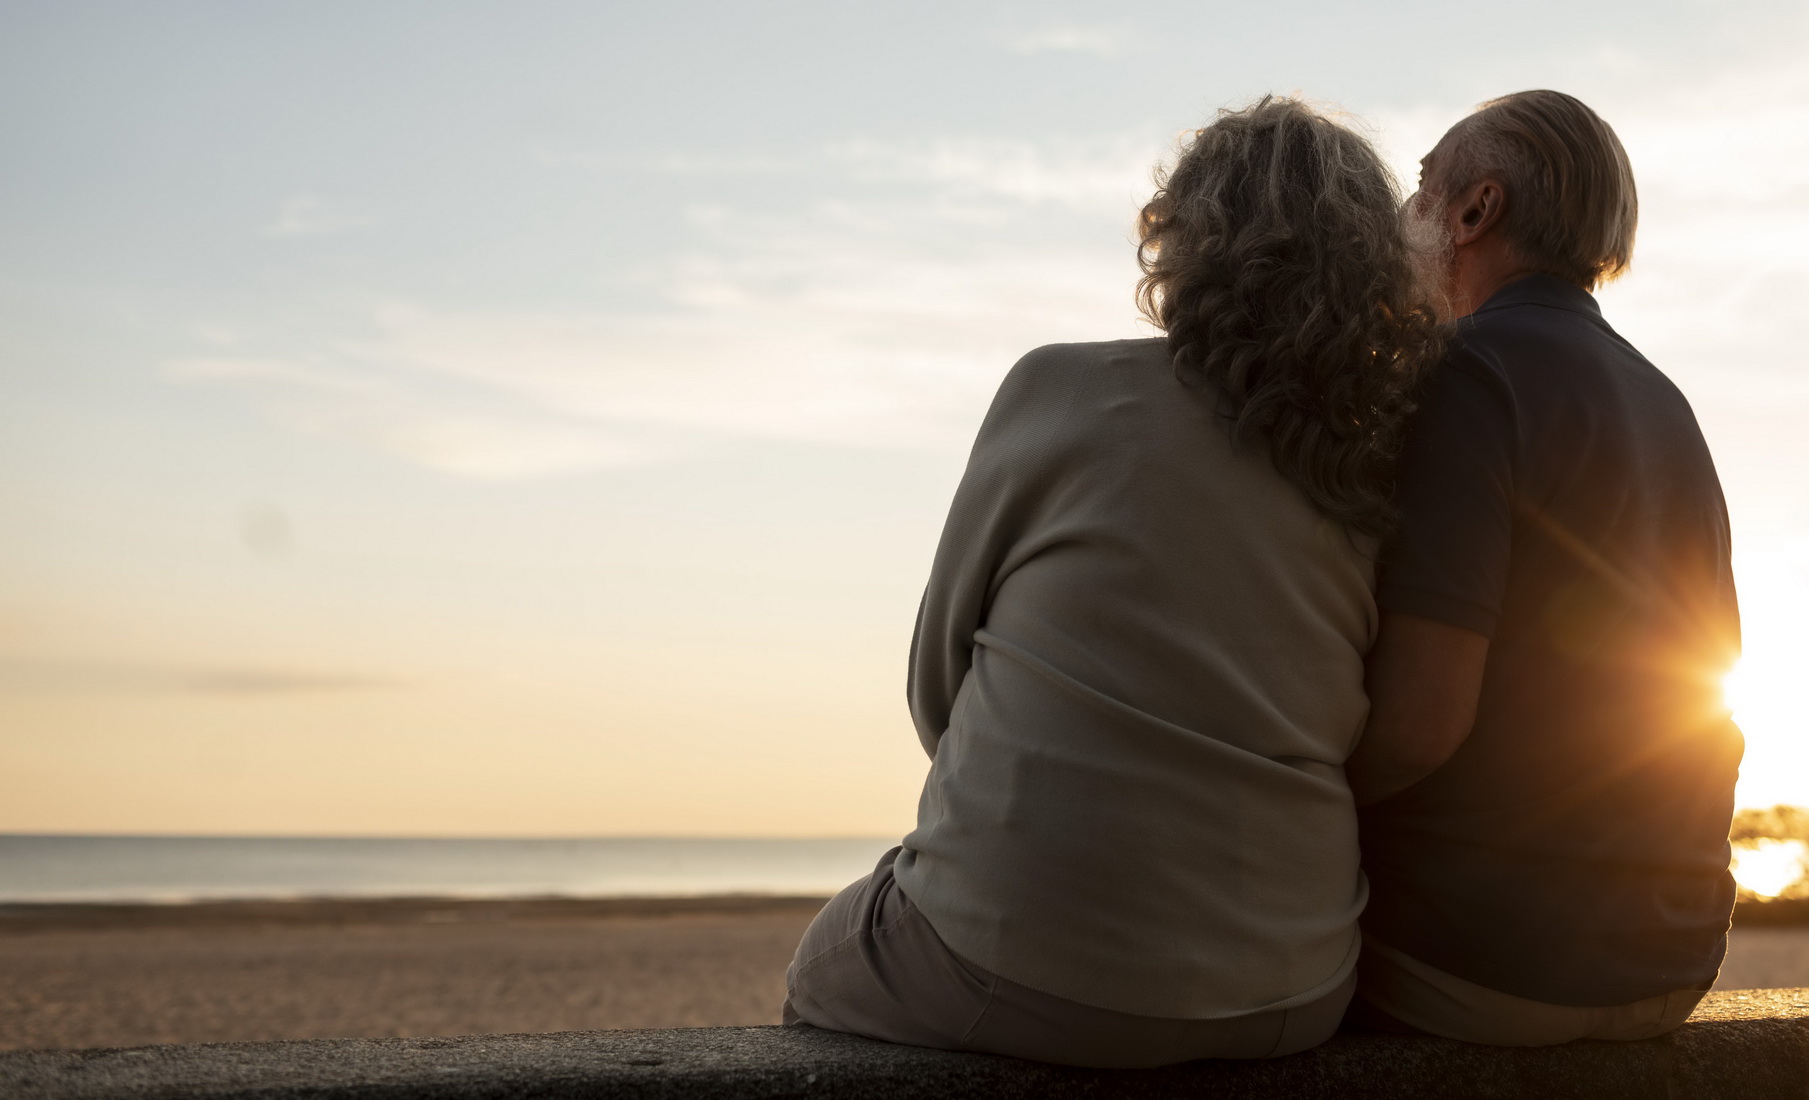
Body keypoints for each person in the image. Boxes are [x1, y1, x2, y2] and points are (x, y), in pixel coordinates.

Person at [782, 97, 1442, 1068]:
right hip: (1293, 986)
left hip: (1012, 962)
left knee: (824, 965)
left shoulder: (1057, 390)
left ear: (1185, 241)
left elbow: (937, 693)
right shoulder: (1364, 467)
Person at [1345, 90, 1743, 1046]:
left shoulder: (1467, 374)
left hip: (1493, 961)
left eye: (1417, 189)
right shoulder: (1664, 399)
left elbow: (1419, 724)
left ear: (1474, 210)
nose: (1401, 219)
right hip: (1674, 956)